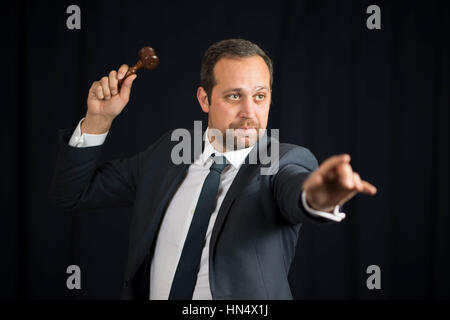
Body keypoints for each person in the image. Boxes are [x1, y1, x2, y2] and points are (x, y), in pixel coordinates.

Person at [49, 39, 376, 300]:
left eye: (260, 96)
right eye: (235, 96)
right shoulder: (167, 153)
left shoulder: (283, 161)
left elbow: (300, 194)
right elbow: (72, 194)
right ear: (204, 99)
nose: (250, 112)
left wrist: (321, 196)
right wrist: (98, 120)